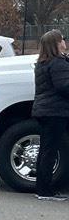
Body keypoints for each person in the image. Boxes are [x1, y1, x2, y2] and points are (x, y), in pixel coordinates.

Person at [32, 29, 69, 200]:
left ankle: (42, 188)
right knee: (50, 151)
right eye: (62, 40)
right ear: (56, 44)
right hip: (56, 112)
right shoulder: (58, 63)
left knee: (46, 150)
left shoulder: (42, 63)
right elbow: (63, 87)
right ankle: (45, 191)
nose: (64, 42)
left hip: (44, 110)